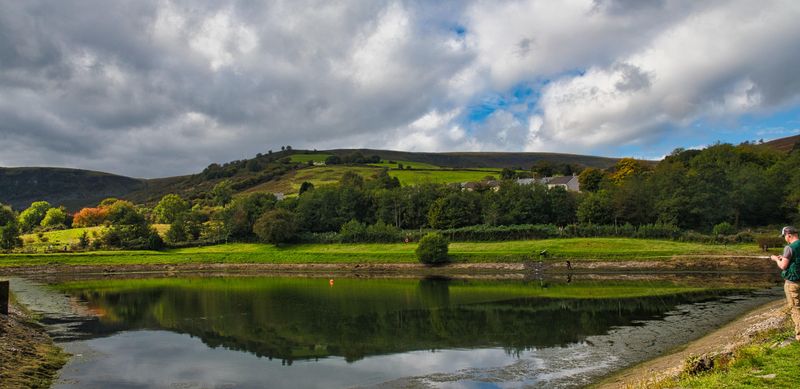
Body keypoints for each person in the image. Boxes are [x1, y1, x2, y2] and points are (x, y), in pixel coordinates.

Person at [770, 226, 800, 341]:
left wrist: (776, 259)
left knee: (796, 309)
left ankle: (799, 335)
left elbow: (783, 266)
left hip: (793, 283)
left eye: (784, 237)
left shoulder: (789, 247)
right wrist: (785, 257)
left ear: (789, 235)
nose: (784, 239)